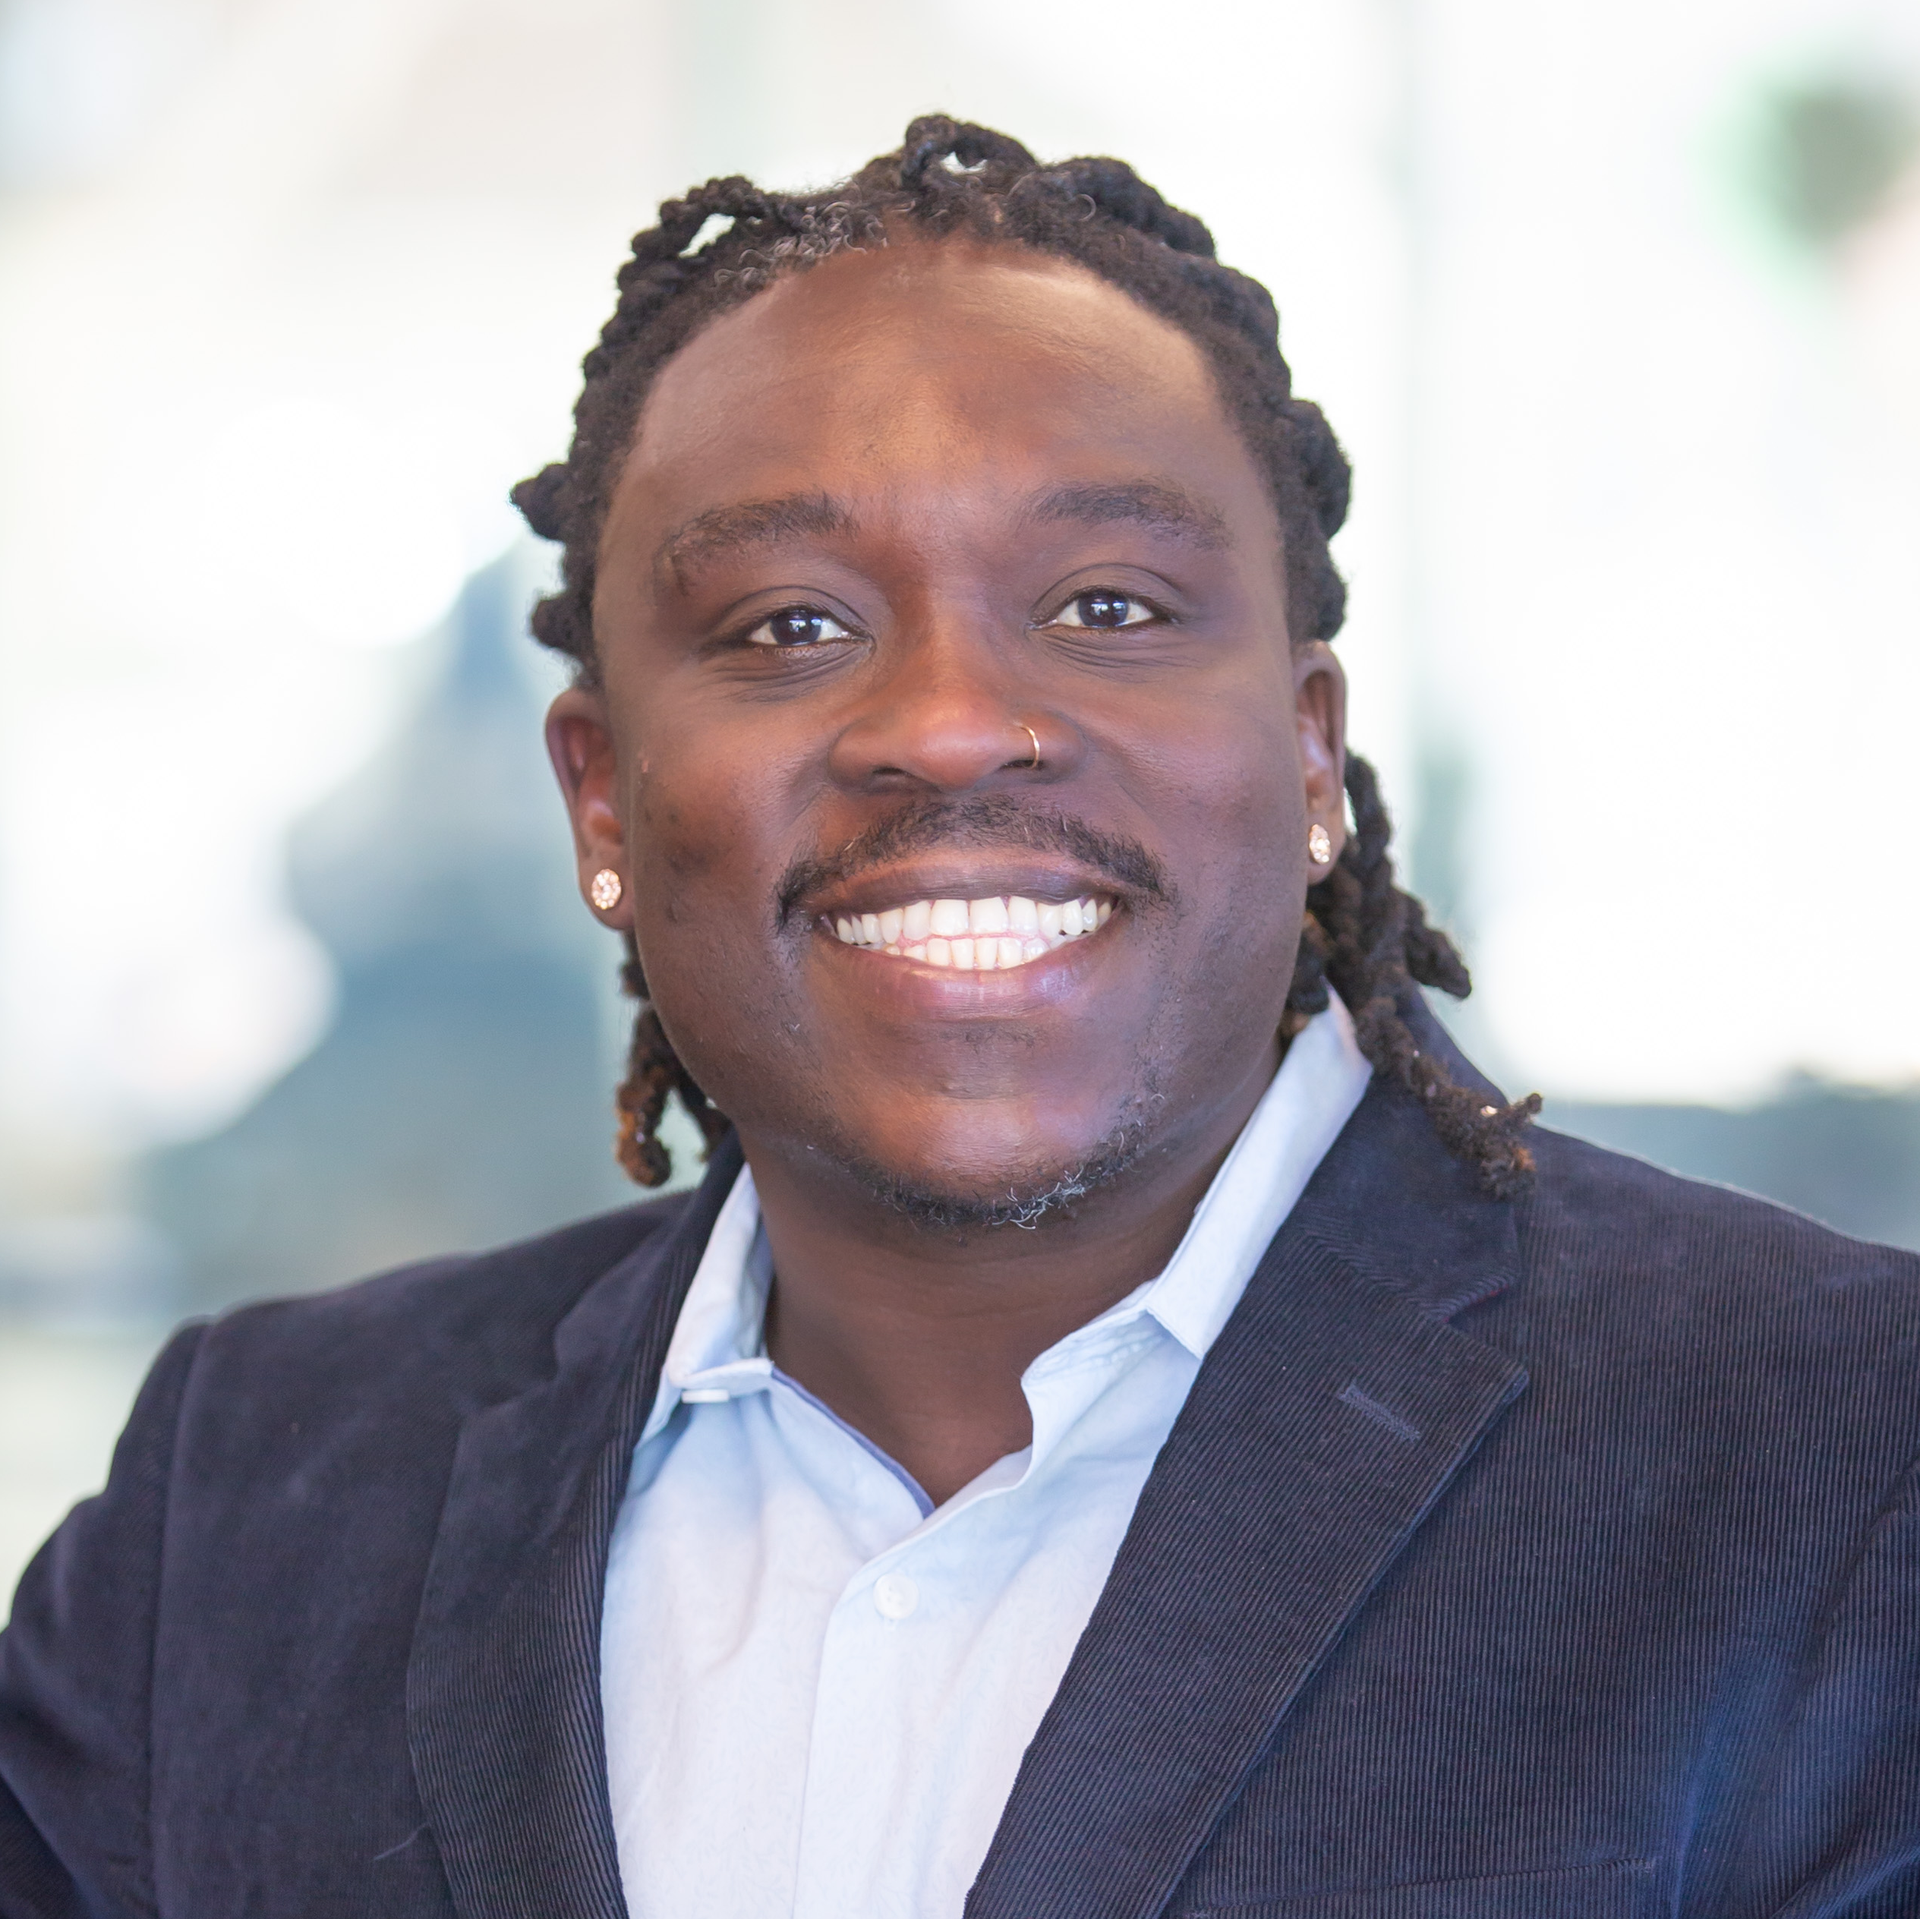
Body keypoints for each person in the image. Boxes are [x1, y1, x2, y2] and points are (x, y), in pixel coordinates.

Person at [2, 116, 1916, 1919]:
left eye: (1108, 605)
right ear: (603, 802)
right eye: (791, 625)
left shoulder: (1839, 1452)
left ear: (1309, 749)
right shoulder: (237, 1509)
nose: (947, 724)